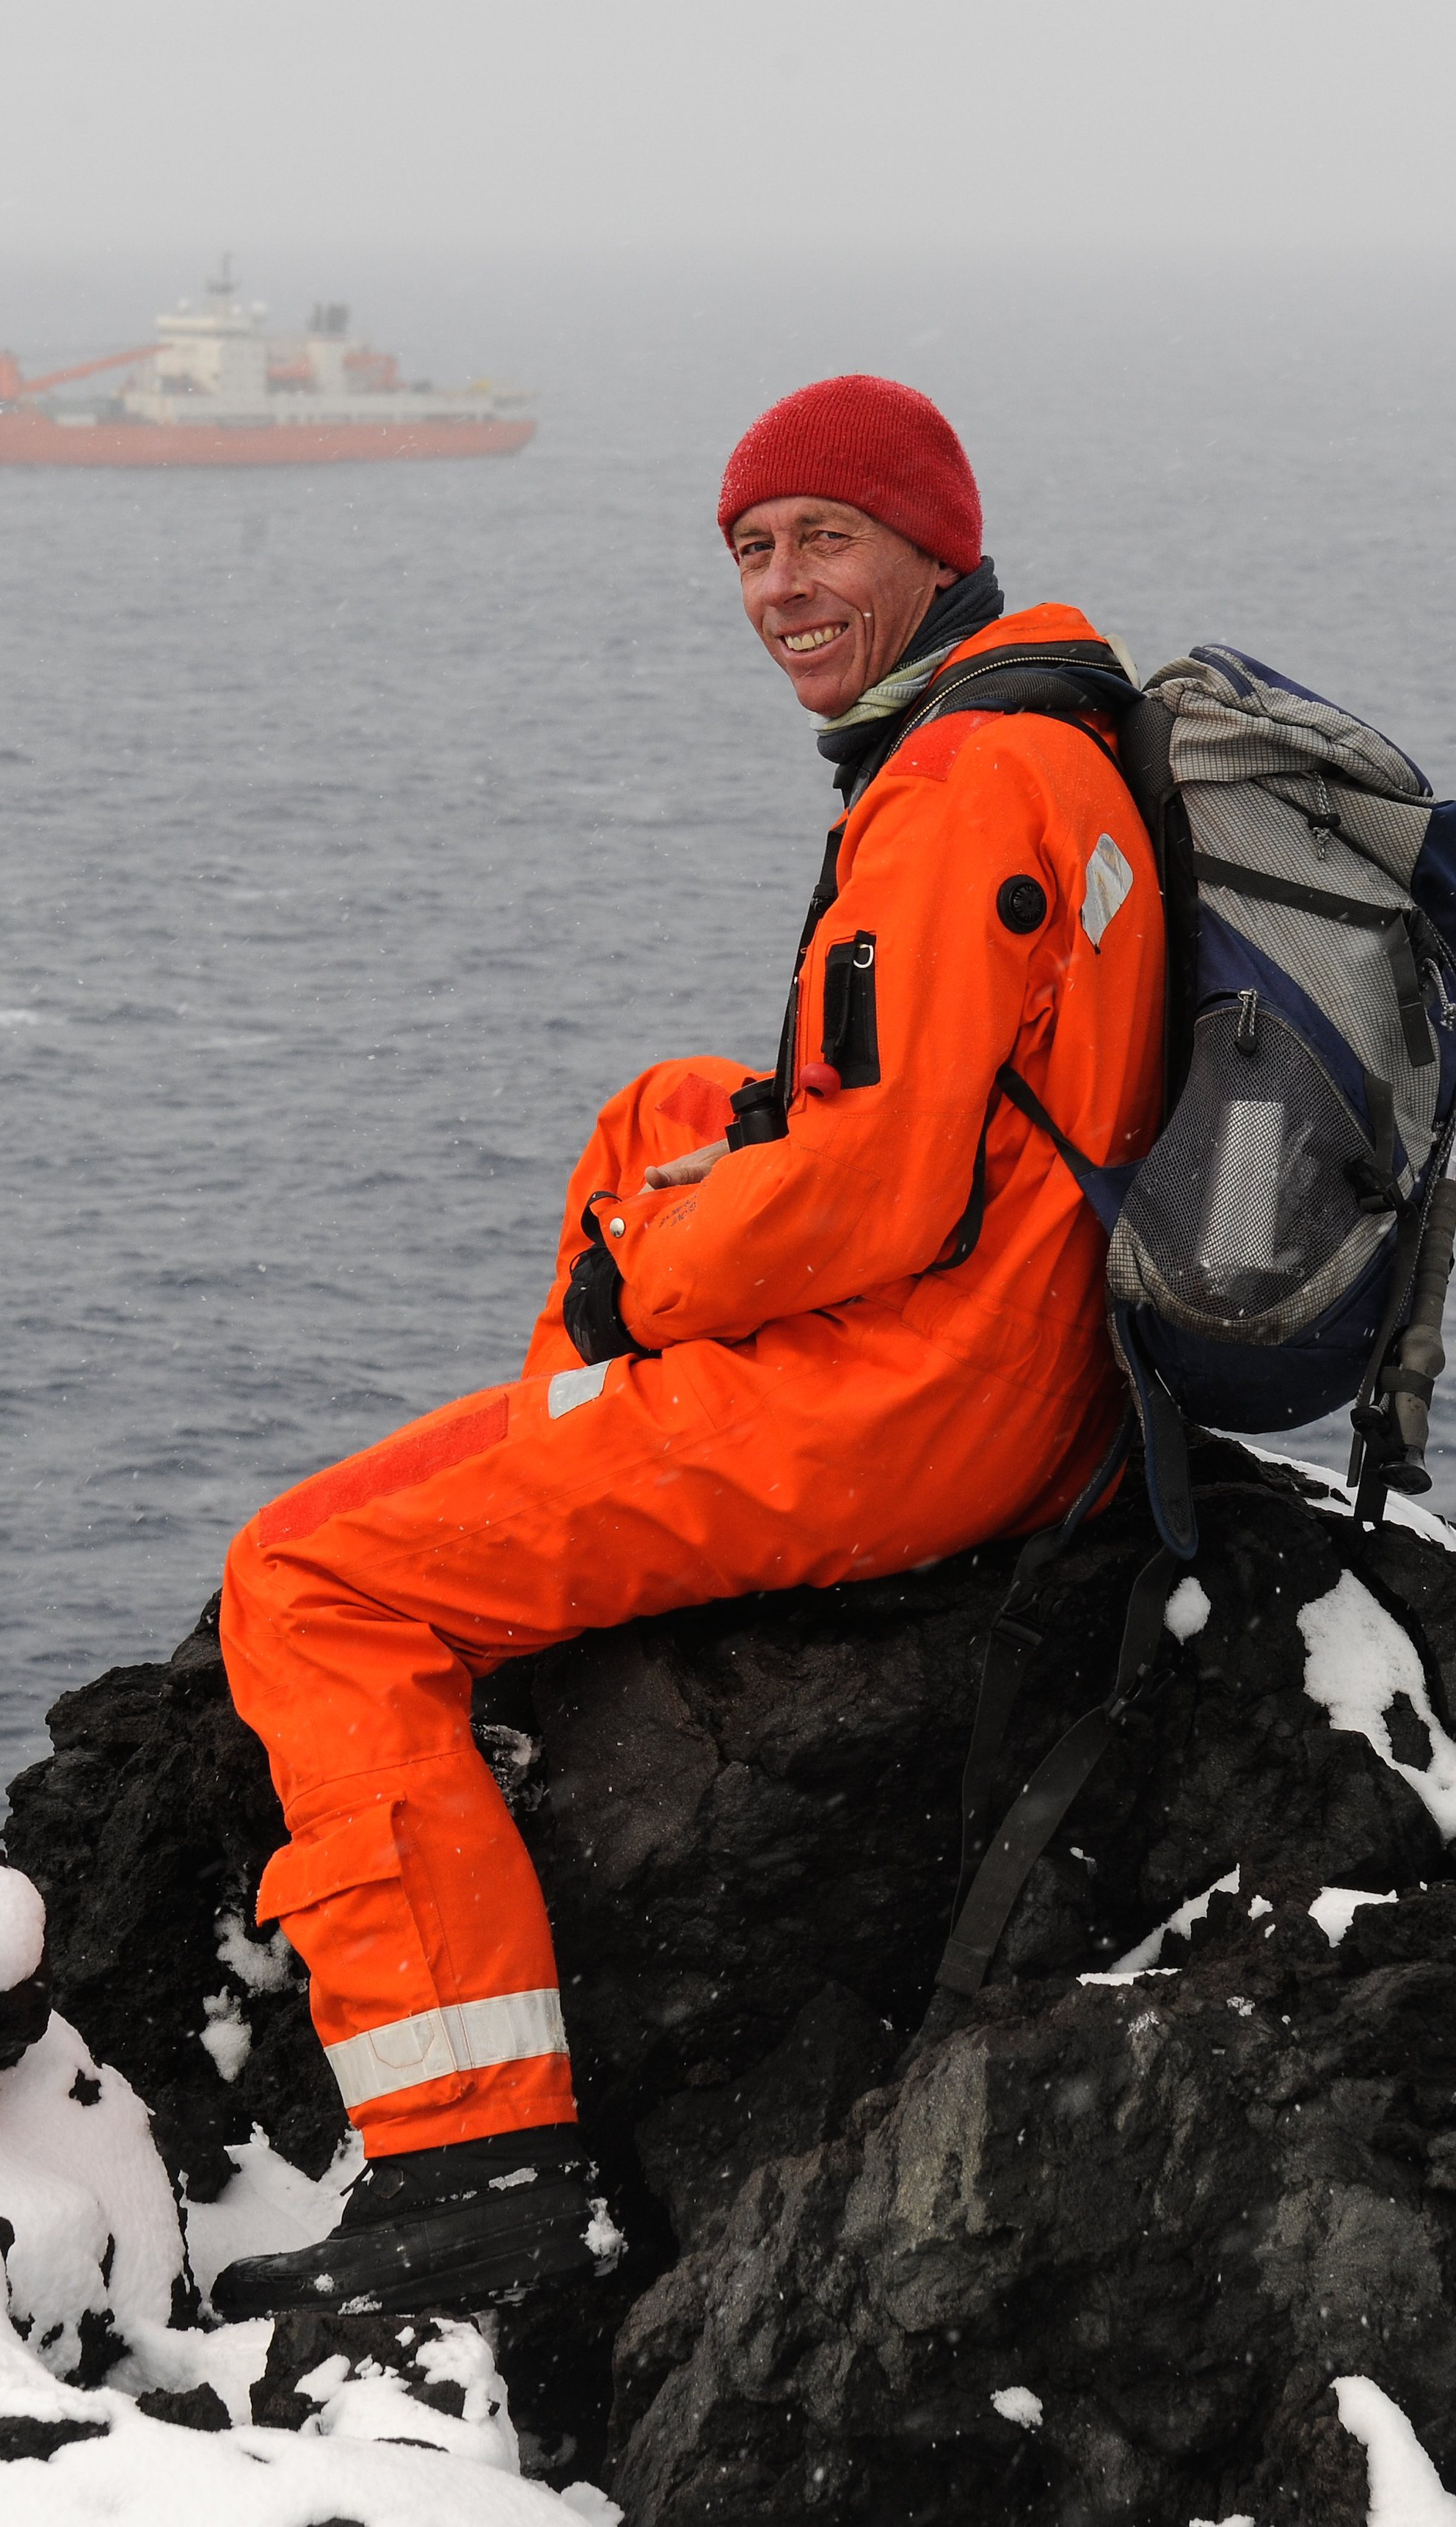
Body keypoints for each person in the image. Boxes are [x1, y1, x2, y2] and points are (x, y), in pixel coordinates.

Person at [209, 374, 1166, 2317]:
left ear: (934, 546)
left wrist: (647, 1286)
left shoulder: (964, 784)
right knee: (662, 1107)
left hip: (925, 1404)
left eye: (828, 536)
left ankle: (475, 2164)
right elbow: (920, 1109)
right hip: (1029, 1348)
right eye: (751, 547)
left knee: (313, 1588)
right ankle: (574, 1489)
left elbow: (877, 1191)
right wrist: (676, 1211)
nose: (783, 583)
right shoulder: (1049, 724)